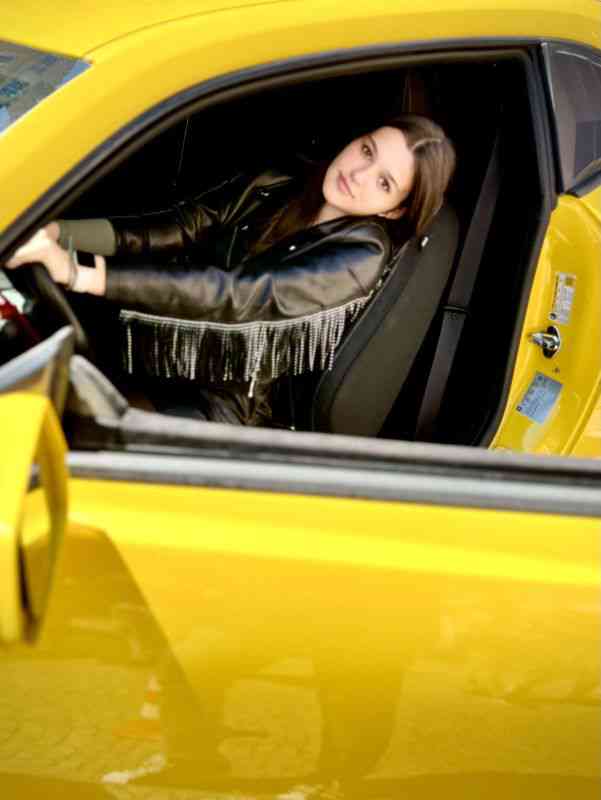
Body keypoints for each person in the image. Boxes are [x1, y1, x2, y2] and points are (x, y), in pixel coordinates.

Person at [6, 113, 455, 425]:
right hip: (158, 357)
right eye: (366, 150)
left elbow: (240, 294)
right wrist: (53, 231)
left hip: (218, 407)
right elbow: (182, 225)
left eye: (384, 182)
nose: (358, 174)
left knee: (48, 422)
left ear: (395, 210)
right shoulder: (278, 185)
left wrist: (80, 275)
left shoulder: (361, 255)